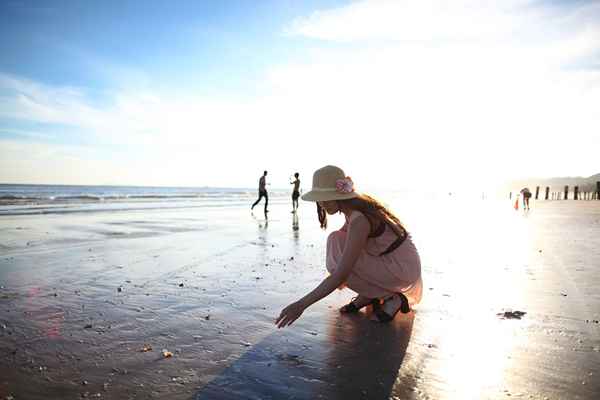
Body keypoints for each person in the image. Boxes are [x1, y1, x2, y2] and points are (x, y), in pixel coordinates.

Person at [276, 165, 423, 328]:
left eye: (325, 197)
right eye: (319, 198)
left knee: (340, 261)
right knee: (335, 240)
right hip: (389, 261)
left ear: (339, 194)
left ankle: (391, 297)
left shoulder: (359, 219)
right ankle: (369, 294)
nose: (322, 203)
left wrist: (301, 305)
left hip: (401, 268)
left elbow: (340, 274)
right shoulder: (353, 212)